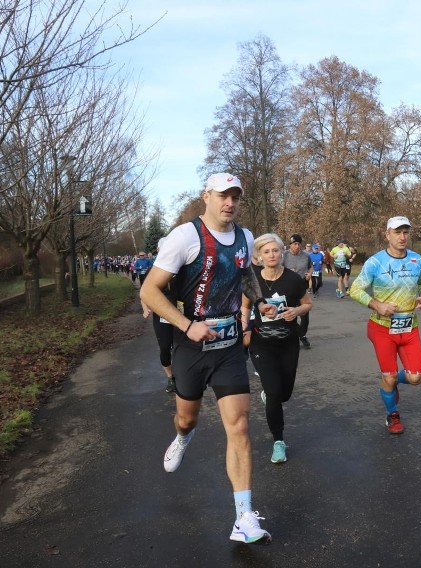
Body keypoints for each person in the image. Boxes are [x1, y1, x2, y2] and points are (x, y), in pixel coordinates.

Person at [139, 172, 277, 544]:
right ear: (206, 196)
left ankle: (244, 516)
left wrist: (260, 301)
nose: (229, 203)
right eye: (222, 196)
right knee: (187, 417)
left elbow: (247, 275)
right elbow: (150, 291)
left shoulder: (246, 237)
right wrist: (186, 325)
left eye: (235, 196)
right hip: (192, 342)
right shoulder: (186, 237)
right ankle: (183, 437)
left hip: (229, 343)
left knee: (240, 425)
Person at [349, 216, 421, 435]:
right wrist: (377, 304)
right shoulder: (375, 262)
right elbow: (355, 289)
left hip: (410, 327)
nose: (402, 237)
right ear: (387, 235)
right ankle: (392, 414)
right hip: (382, 328)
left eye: (406, 232)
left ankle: (392, 381)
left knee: (416, 377)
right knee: (389, 375)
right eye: (397, 232)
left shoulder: (417, 259)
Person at [246, 233, 312, 464]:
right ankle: (278, 441)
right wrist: (244, 330)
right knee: (275, 393)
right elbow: (245, 306)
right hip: (261, 344)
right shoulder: (253, 280)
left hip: (288, 343)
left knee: (284, 393)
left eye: (275, 250)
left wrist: (296, 311)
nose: (272, 255)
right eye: (266, 251)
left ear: (282, 252)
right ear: (259, 256)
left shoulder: (293, 279)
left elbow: (307, 303)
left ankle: (270, 393)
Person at [142, 238, 176, 393]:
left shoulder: (183, 268)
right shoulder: (154, 270)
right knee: (164, 347)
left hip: (181, 314)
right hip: (161, 315)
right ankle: (170, 378)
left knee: (183, 346)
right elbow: (144, 293)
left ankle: (185, 376)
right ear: (159, 250)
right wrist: (145, 308)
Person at [283, 234, 312, 349]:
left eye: (299, 244)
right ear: (290, 245)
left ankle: (302, 335)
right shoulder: (284, 256)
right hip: (288, 287)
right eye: (295, 244)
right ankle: (293, 336)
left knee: (305, 315)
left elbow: (310, 267)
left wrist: (309, 273)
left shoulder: (306, 256)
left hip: (301, 286)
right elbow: (276, 269)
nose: (297, 246)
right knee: (290, 314)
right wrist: (287, 272)